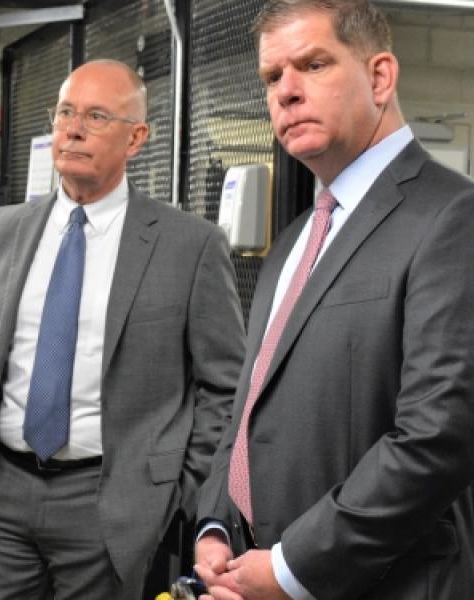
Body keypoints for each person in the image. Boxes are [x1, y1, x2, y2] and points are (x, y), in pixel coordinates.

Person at [0, 59, 246, 599]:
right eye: (65, 113)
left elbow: (225, 387)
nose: (72, 129)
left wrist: (177, 490)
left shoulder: (188, 246)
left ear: (137, 138)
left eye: (96, 117)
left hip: (111, 504)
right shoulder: (5, 229)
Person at [193, 2, 474, 599]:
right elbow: (249, 406)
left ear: (379, 77)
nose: (286, 93)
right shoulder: (292, 243)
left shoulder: (452, 217)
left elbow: (438, 436)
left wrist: (293, 567)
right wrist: (216, 522)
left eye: (313, 64)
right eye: (272, 77)